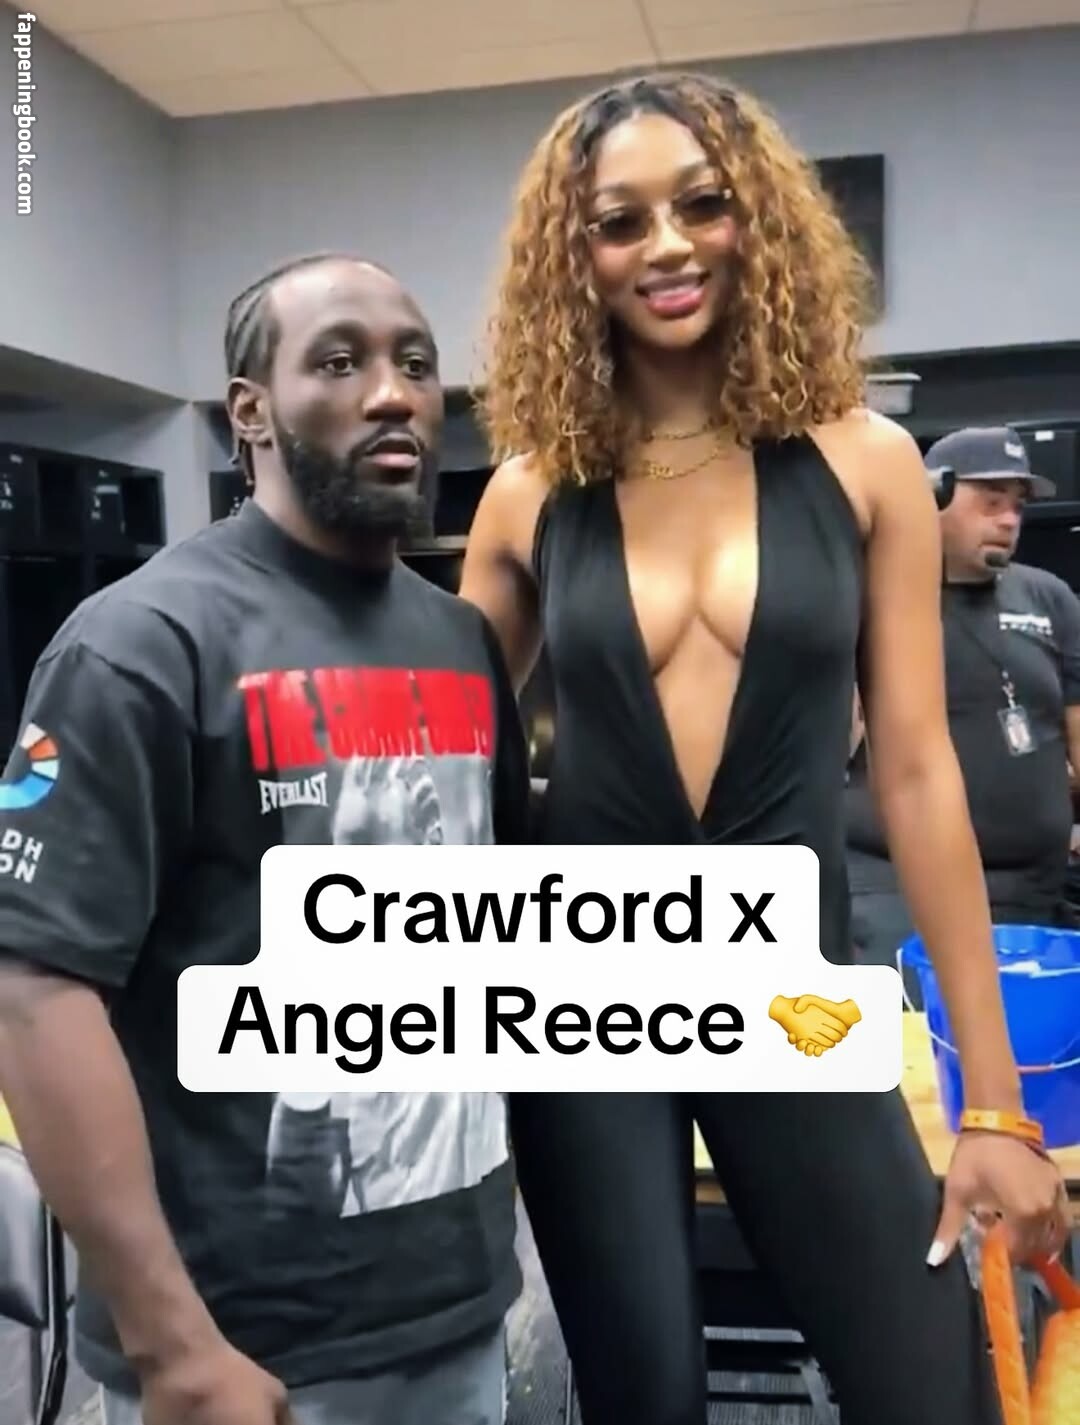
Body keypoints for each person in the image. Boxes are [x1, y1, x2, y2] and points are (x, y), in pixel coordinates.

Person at [459, 72, 1070, 1425]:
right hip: (585, 1004)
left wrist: (995, 1103)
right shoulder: (528, 490)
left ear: (759, 220)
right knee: (645, 1397)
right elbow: (440, 767)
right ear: (575, 257)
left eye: (702, 204)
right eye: (620, 222)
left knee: (928, 1382)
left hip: (789, 977)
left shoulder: (863, 461)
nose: (667, 246)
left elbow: (916, 770)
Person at [0, 253, 529, 1425]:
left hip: (459, 1311)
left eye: (415, 364)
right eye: (339, 361)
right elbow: (33, 991)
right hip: (246, 1352)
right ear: (250, 411)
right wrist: (173, 1345)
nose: (391, 393)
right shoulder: (140, 640)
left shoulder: (460, 642)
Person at [848, 425, 1080, 987]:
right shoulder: (868, 594)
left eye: (1017, 506)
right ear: (932, 498)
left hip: (1035, 892)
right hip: (897, 888)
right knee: (918, 1037)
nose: (1009, 520)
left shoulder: (1048, 597)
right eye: (990, 502)